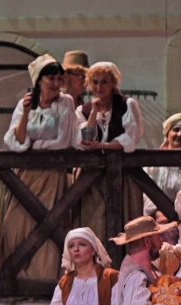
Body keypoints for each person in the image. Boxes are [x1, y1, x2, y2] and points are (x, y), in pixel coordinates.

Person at [0, 54, 77, 281]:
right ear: (39, 80)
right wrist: (25, 114)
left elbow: (64, 141)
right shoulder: (26, 104)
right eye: (51, 78)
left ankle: (45, 281)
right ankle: (18, 280)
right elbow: (15, 141)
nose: (56, 83)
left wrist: (33, 146)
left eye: (59, 78)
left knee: (48, 227)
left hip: (52, 175)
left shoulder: (65, 102)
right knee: (14, 225)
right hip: (24, 176)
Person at [75, 62, 145, 240]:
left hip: (123, 174)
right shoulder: (83, 110)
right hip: (92, 176)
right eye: (95, 82)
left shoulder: (127, 104)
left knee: (124, 219)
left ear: (113, 83)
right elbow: (83, 139)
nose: (99, 87)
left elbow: (130, 139)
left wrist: (101, 147)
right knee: (93, 220)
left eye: (104, 82)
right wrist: (93, 113)